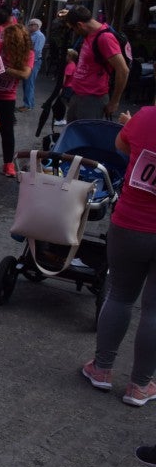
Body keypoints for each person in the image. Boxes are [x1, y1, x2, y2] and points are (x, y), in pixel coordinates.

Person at [82, 105, 156, 407]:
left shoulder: (146, 116)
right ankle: (139, 385)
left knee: (120, 295)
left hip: (130, 224)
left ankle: (101, 368)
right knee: (154, 310)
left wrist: (134, 127)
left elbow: (121, 145)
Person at [0, 23, 32, 177]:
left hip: (8, 97)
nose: (3, 39)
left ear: (16, 40)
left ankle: (8, 165)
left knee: (7, 131)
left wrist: (4, 68)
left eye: (7, 37)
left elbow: (25, 74)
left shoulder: (27, 53)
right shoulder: (0, 46)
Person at [62, 5, 129, 121]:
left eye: (74, 29)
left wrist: (114, 102)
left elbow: (123, 70)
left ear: (80, 25)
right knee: (73, 135)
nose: (75, 32)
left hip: (92, 100)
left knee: (85, 137)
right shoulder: (89, 33)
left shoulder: (105, 38)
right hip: (78, 95)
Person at [19, 18, 46, 112]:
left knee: (29, 83)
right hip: (30, 60)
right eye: (29, 24)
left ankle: (28, 105)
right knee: (27, 83)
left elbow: (37, 50)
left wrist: (30, 60)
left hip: (34, 61)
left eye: (32, 24)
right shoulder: (31, 34)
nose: (30, 26)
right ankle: (28, 103)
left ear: (37, 26)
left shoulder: (39, 36)